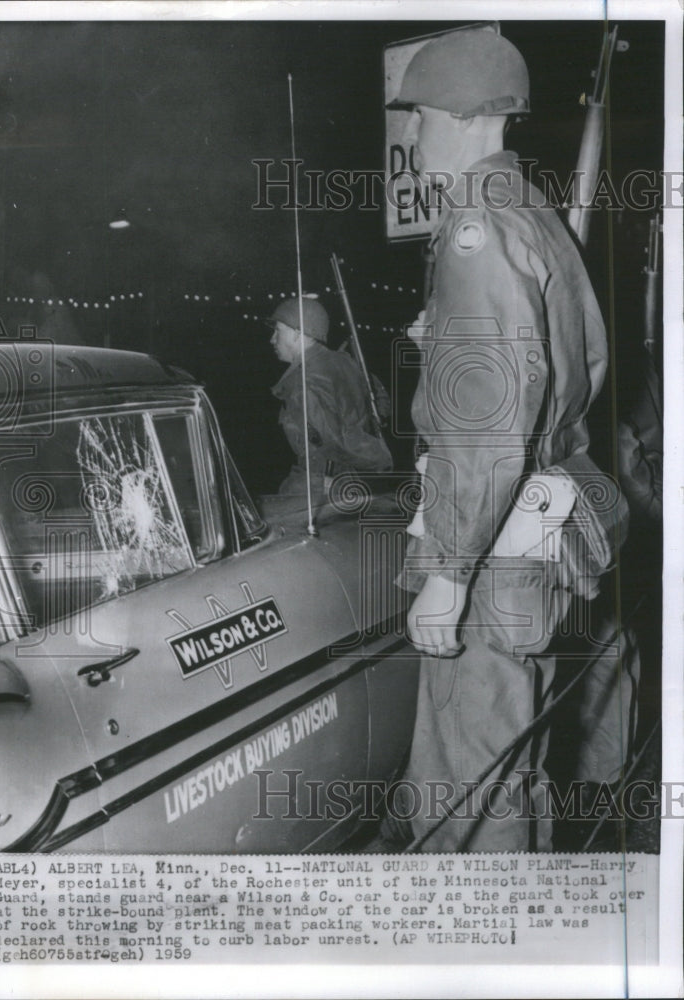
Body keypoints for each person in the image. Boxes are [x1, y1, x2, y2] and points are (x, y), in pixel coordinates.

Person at [386, 25, 624, 851]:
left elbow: (485, 432)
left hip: (491, 547)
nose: (410, 134)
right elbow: (582, 370)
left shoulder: (474, 231)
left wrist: (448, 571)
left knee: (467, 787)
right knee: (514, 764)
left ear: (458, 115)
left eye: (418, 115)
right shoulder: (538, 216)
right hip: (547, 527)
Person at [268, 295, 392, 501]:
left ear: (297, 334)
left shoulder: (302, 380)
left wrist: (378, 459)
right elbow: (381, 401)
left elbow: (330, 443)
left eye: (278, 331)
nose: (272, 339)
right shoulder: (346, 362)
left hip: (327, 485)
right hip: (358, 479)